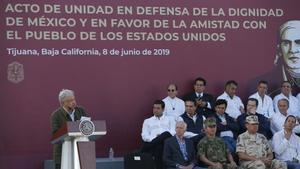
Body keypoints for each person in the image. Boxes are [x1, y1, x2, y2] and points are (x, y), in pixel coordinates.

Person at [51, 89, 89, 169]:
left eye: (74, 99)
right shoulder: (56, 115)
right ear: (63, 103)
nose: (73, 102)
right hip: (62, 153)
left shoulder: (81, 110)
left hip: (81, 151)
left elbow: (87, 126)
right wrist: (68, 130)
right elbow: (55, 134)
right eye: (70, 101)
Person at [141, 100, 174, 169]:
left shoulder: (170, 119)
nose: (155, 110)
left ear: (163, 109)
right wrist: (156, 138)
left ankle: (145, 148)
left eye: (158, 108)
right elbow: (144, 135)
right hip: (155, 145)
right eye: (154, 108)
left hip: (167, 142)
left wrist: (161, 136)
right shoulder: (147, 121)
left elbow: (173, 132)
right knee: (159, 146)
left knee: (166, 133)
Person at [274, 20, 300, 88]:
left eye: (298, 42)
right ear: (279, 49)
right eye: (286, 43)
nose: (292, 50)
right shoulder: (256, 84)